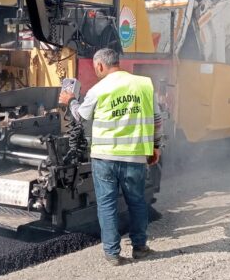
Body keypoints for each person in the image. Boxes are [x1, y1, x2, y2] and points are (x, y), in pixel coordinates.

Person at [59, 47, 162, 266]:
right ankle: (140, 247)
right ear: (118, 62)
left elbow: (80, 116)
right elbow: (157, 119)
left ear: (99, 65)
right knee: (137, 202)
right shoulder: (144, 84)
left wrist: (70, 99)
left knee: (107, 205)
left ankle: (112, 254)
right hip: (134, 156)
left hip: (104, 158)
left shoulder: (98, 89)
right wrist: (156, 146)